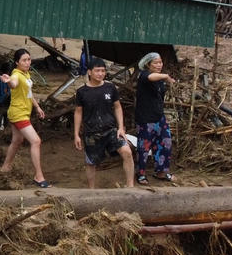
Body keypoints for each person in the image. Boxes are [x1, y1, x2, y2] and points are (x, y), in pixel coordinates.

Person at [73, 57, 136, 189]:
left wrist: (121, 128)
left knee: (127, 152)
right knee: (90, 162)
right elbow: (78, 112)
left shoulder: (110, 87)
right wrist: (76, 134)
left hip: (111, 129)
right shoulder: (82, 92)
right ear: (89, 72)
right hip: (91, 132)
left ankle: (130, 186)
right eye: (97, 71)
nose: (101, 74)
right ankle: (91, 190)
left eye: (103, 71)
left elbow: (118, 107)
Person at [0, 48, 49, 187]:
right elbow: (14, 84)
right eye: (24, 60)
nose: (27, 63)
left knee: (17, 140)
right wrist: (8, 81)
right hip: (18, 113)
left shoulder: (26, 74)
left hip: (22, 112)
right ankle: (39, 176)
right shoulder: (16, 74)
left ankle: (5, 167)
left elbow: (29, 93)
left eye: (29, 59)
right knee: (36, 141)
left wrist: (37, 107)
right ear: (17, 62)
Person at [134, 52, 176, 184]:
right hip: (146, 119)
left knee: (165, 143)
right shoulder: (144, 75)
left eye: (160, 62)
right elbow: (151, 77)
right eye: (156, 63)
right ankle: (140, 174)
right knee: (144, 147)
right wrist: (166, 76)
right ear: (148, 64)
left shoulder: (159, 80)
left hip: (159, 117)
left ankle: (162, 172)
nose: (159, 65)